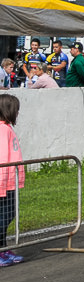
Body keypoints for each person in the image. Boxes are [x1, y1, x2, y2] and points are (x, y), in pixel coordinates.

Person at [0, 95, 25, 266]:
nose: (18, 112)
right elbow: (2, 157)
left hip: (11, 181)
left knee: (9, 214)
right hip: (4, 181)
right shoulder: (2, 130)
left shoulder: (7, 128)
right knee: (3, 216)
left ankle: (3, 247)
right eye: (16, 109)